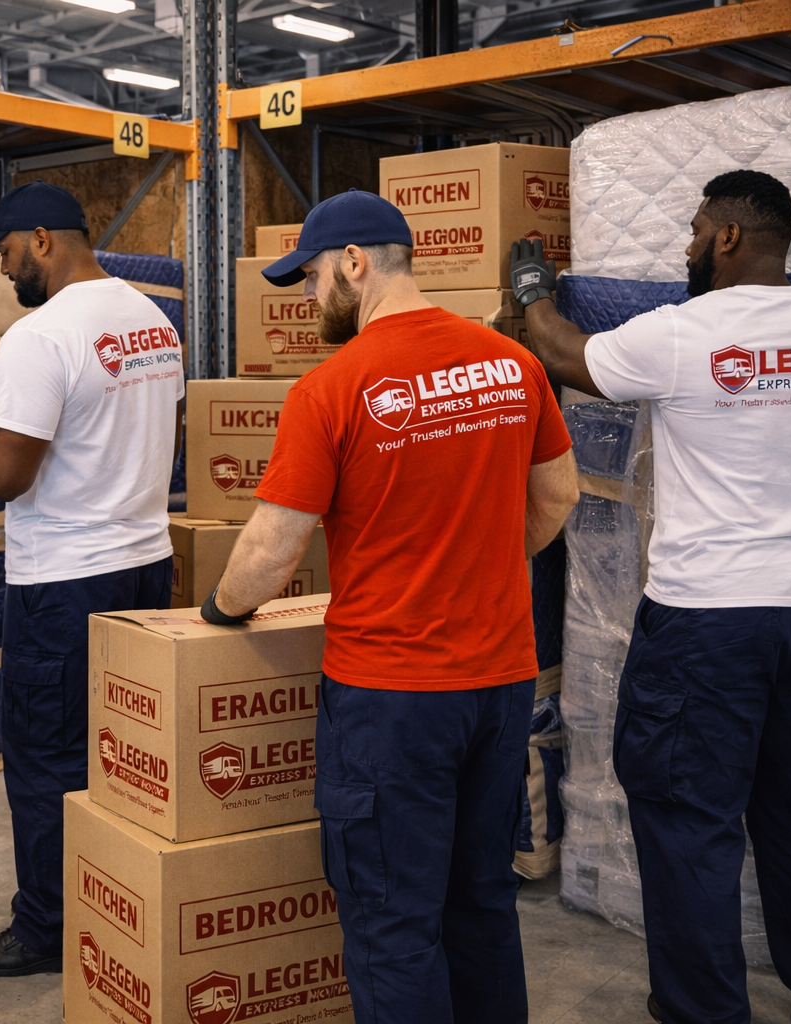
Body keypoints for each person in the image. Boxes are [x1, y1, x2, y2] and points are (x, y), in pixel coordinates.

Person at [511, 169, 791, 1024]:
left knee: (689, 824)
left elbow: (565, 356)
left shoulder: (686, 333)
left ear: (728, 236)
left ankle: (704, 1013)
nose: (687, 244)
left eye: (696, 227)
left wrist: (531, 293)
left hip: (712, 620)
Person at [205, 189, 580, 1023]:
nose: (309, 298)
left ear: (353, 263)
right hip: (500, 686)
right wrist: (478, 561)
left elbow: (271, 552)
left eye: (311, 278)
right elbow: (559, 495)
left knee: (392, 923)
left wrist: (222, 609)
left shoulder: (332, 388)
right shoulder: (510, 363)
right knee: (481, 901)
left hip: (391, 699)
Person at [0, 181, 184, 977]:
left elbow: (2, 475)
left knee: (47, 759)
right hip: (144, 565)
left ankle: (49, 928)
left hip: (63, 581)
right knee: (121, 754)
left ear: (42, 238)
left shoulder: (41, 334)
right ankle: (118, 901)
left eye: (4, 251)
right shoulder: (152, 319)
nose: (2, 269)